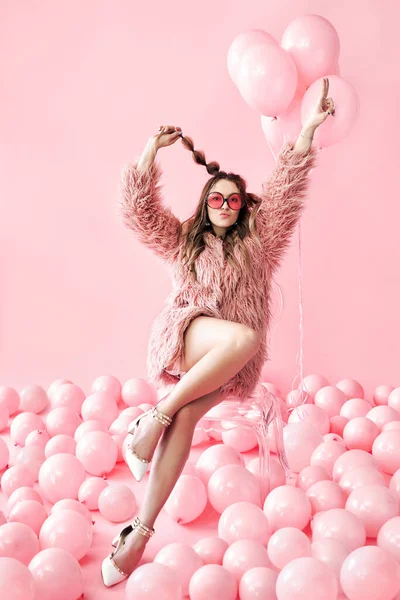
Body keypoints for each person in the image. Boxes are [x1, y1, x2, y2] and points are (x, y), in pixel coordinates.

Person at [101, 78, 335, 587]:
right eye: (217, 200)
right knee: (244, 338)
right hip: (186, 338)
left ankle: (138, 531)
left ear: (244, 208)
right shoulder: (184, 242)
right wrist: (149, 151)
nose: (225, 207)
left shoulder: (260, 245)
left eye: (234, 201)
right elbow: (137, 212)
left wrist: (309, 129)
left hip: (225, 365)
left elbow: (287, 187)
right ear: (205, 204)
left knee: (187, 416)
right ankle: (151, 419)